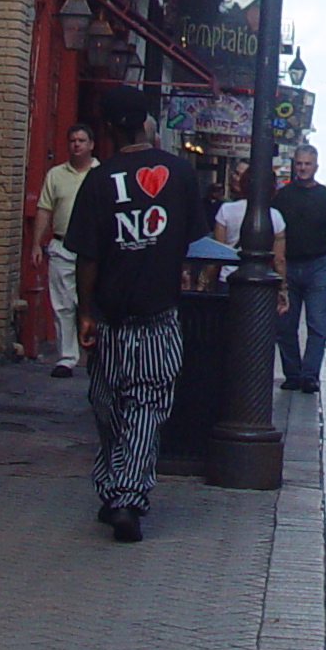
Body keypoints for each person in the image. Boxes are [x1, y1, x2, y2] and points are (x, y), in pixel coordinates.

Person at [66, 86, 208, 543]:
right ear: (146, 121)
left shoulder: (99, 179)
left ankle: (124, 495)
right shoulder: (182, 174)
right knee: (141, 406)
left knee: (111, 403)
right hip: (159, 313)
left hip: (111, 316)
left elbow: (86, 256)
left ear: (107, 128)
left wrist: (84, 312)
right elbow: (190, 243)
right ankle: (120, 491)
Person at [274, 145, 326, 391]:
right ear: (293, 165)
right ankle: (293, 373)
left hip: (318, 265)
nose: (303, 168)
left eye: (307, 164)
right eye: (299, 163)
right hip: (288, 265)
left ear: (315, 167)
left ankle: (310, 375)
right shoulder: (282, 197)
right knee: (286, 325)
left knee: (317, 324)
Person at [30, 121, 99, 377]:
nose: (77, 145)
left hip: (93, 248)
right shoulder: (56, 175)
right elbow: (44, 208)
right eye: (72, 141)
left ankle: (95, 352)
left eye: (81, 141)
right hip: (62, 244)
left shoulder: (101, 174)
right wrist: (36, 243)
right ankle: (67, 357)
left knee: (91, 300)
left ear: (91, 144)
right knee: (62, 303)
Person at [213, 165, 285, 276]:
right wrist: (282, 285)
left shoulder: (226, 210)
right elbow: (279, 259)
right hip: (261, 278)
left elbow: (217, 252)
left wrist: (207, 280)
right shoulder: (275, 216)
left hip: (229, 275)